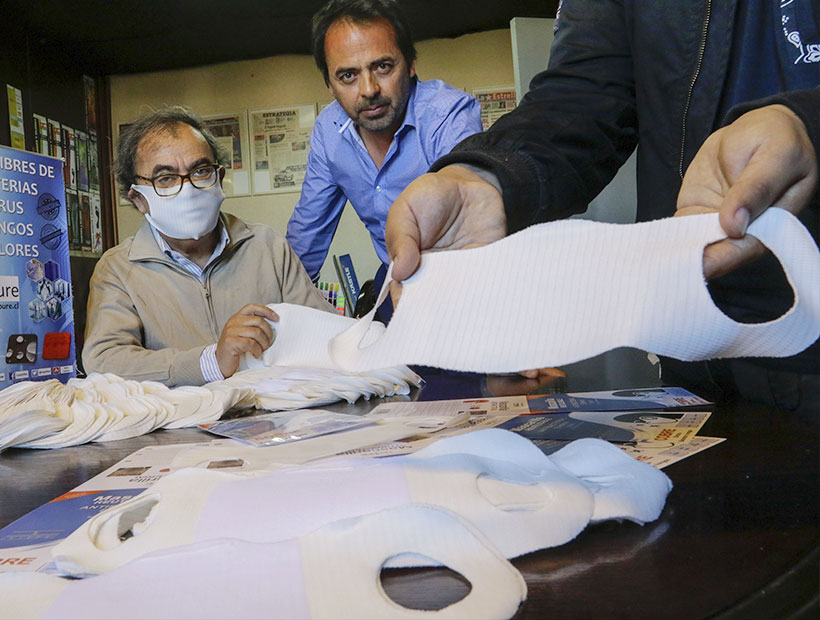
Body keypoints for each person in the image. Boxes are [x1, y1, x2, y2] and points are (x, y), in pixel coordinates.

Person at [384, 0, 819, 414]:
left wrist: (803, 124)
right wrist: (487, 177)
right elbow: (583, 93)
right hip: (686, 360)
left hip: (803, 342)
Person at [83, 107, 331, 386]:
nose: (187, 189)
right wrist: (211, 361)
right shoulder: (118, 269)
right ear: (138, 199)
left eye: (200, 171)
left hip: (273, 418)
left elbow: (327, 334)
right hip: (181, 425)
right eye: (165, 178)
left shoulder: (268, 247)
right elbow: (104, 360)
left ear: (219, 178)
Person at [285, 0, 482, 281]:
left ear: (411, 64)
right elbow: (306, 236)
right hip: (393, 273)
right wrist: (280, 309)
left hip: (459, 272)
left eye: (383, 67)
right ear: (329, 84)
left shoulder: (448, 115)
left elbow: (470, 221)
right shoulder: (329, 131)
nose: (368, 90)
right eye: (348, 76)